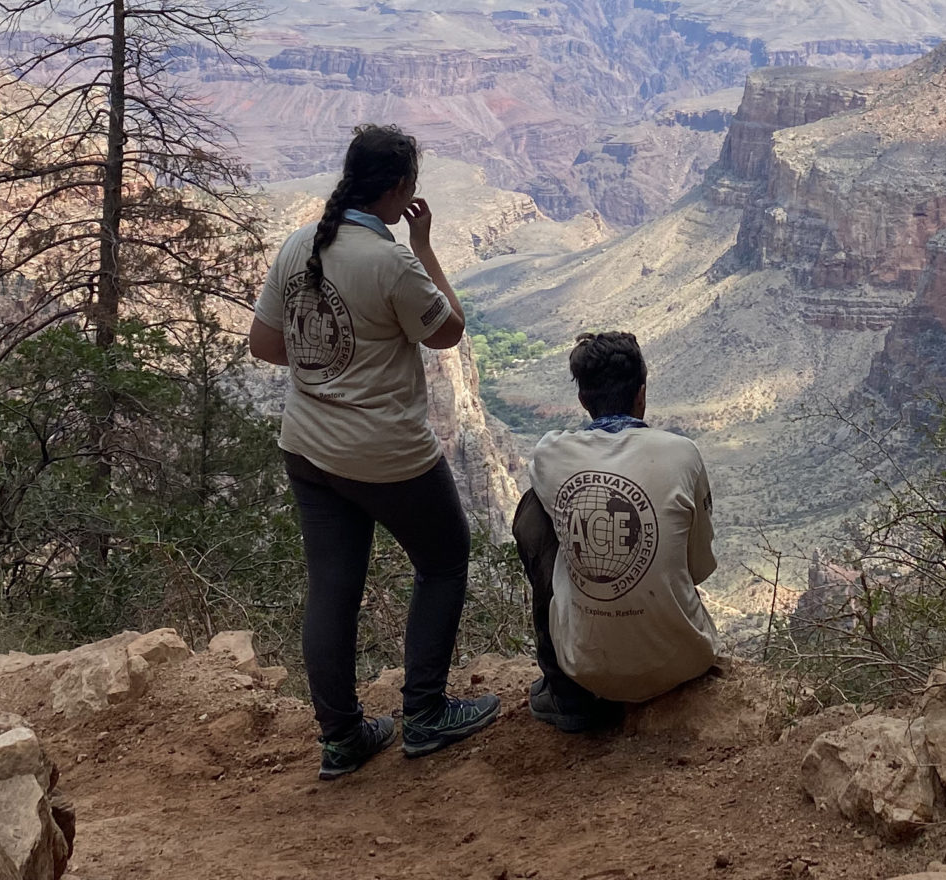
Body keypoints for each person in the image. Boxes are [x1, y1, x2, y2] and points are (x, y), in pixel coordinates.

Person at [248, 123, 503, 778]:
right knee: (444, 560)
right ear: (398, 190)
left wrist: (327, 373)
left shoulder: (300, 244)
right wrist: (424, 246)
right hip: (387, 454)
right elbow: (449, 331)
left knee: (332, 588)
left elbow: (266, 346)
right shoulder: (390, 261)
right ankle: (423, 716)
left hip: (307, 448)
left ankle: (341, 739)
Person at [514, 330, 718, 732]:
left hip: (585, 667)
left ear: (582, 400)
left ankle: (564, 692)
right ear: (641, 392)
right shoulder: (683, 453)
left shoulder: (548, 454)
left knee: (533, 510)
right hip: (685, 661)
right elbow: (699, 569)